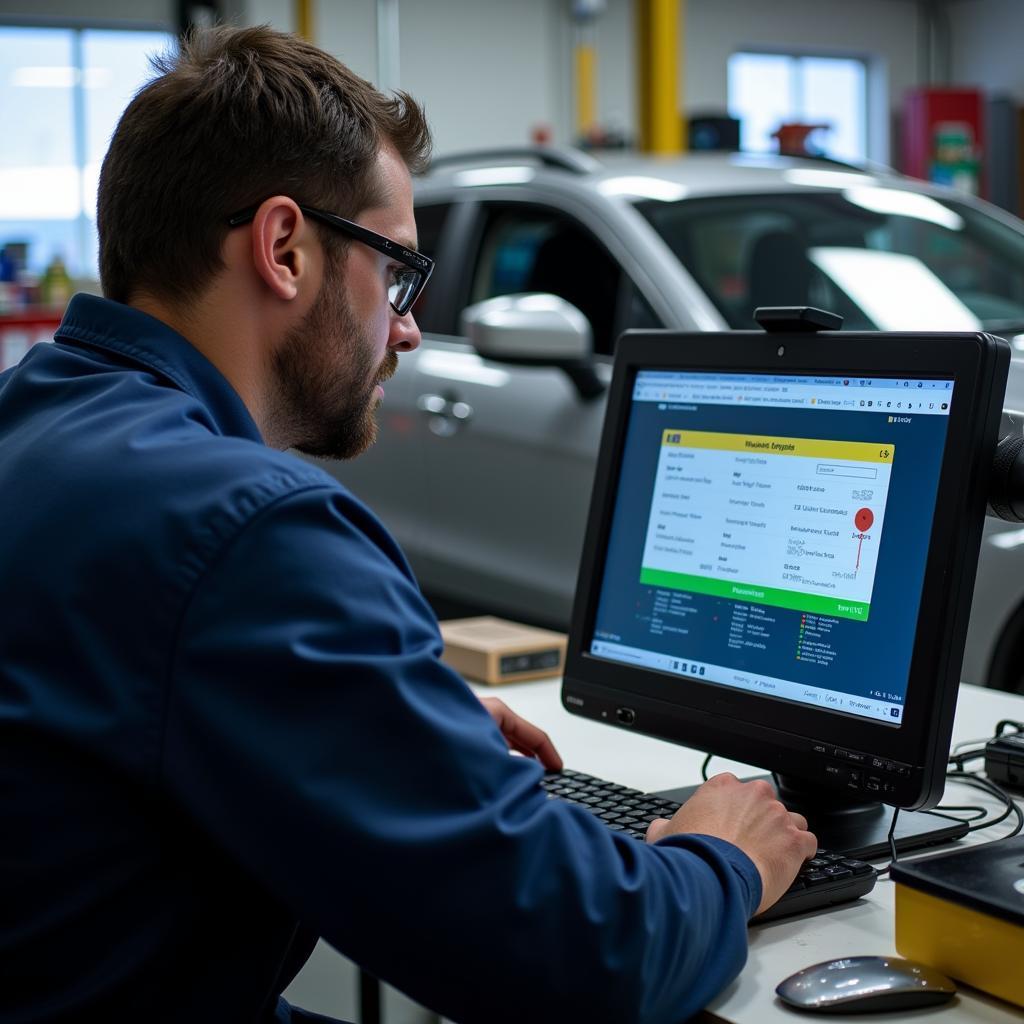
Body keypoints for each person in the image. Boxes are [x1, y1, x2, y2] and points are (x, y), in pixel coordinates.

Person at [0, 25, 817, 1024]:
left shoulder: (35, 419)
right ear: (284, 247)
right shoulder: (245, 530)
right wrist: (722, 855)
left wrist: (377, 720)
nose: (408, 325)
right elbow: (585, 956)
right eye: (396, 272)